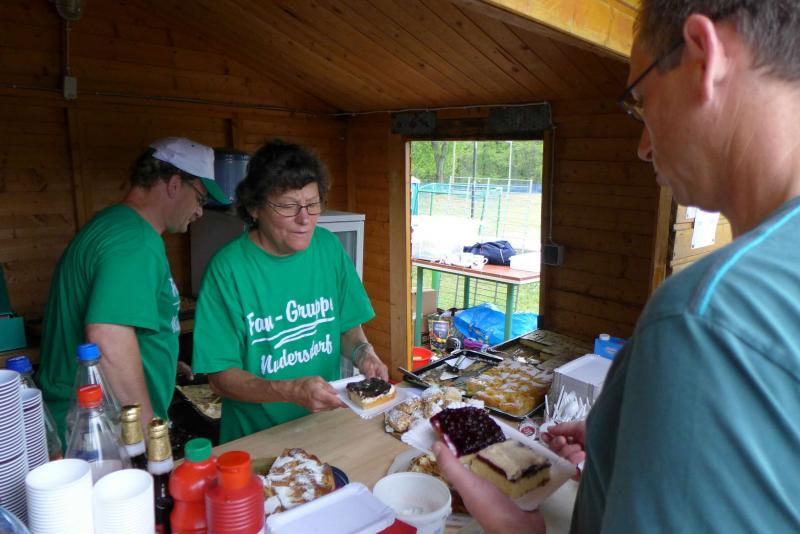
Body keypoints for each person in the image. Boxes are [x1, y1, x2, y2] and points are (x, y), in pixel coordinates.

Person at [435, 1, 800, 532]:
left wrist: (517, 528)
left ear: (703, 58)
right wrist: (617, 446)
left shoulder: (702, 317)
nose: (643, 147)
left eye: (642, 103)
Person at [192, 140, 388, 443]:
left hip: (325, 427)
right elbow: (220, 378)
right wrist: (290, 390)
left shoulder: (328, 248)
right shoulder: (228, 270)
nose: (304, 218)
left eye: (312, 204)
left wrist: (364, 353)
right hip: (256, 440)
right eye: (288, 206)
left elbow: (346, 325)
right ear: (255, 208)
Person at [37, 138, 230, 442]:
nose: (199, 212)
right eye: (200, 198)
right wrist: (150, 431)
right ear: (175, 184)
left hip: (82, 420)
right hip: (99, 431)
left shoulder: (111, 225)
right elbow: (107, 336)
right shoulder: (135, 241)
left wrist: (160, 363)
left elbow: (121, 324)